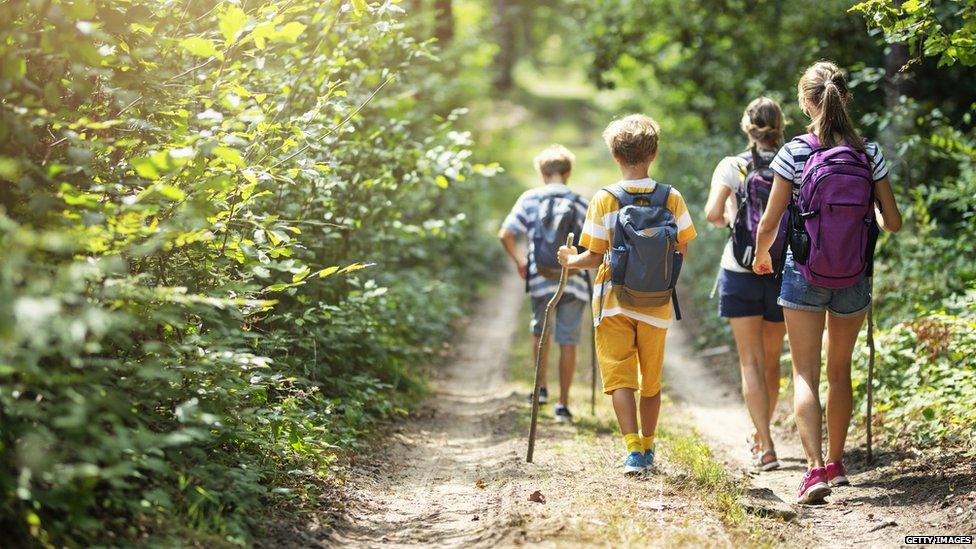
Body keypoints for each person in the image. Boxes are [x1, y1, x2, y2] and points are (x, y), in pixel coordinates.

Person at [752, 61, 902, 503]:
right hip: (854, 275)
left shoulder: (795, 151)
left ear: (804, 101)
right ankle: (838, 464)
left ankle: (813, 469)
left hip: (803, 272)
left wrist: (762, 256)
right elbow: (892, 222)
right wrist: (860, 220)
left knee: (804, 373)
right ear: (844, 97)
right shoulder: (868, 152)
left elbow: (770, 221)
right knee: (840, 371)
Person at [557, 114, 697, 474]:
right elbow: (682, 249)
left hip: (613, 302)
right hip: (657, 304)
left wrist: (569, 261)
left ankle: (633, 450)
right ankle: (650, 447)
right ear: (653, 154)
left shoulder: (605, 199)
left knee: (620, 377)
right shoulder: (672, 197)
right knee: (651, 382)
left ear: (615, 156)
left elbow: (592, 256)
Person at [703, 97, 788, 471]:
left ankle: (765, 444)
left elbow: (711, 214)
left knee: (750, 362)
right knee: (772, 362)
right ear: (781, 126)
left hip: (739, 271)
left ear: (746, 127)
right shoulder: (794, 160)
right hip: (782, 269)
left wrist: (733, 225)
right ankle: (762, 433)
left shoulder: (732, 166)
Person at [499, 144, 590, 423]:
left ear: (541, 173)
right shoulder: (579, 200)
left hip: (540, 278)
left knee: (541, 333)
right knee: (569, 339)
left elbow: (506, 234)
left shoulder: (529, 199)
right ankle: (563, 405)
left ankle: (540, 390)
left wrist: (520, 262)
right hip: (572, 279)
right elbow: (594, 242)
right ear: (568, 172)